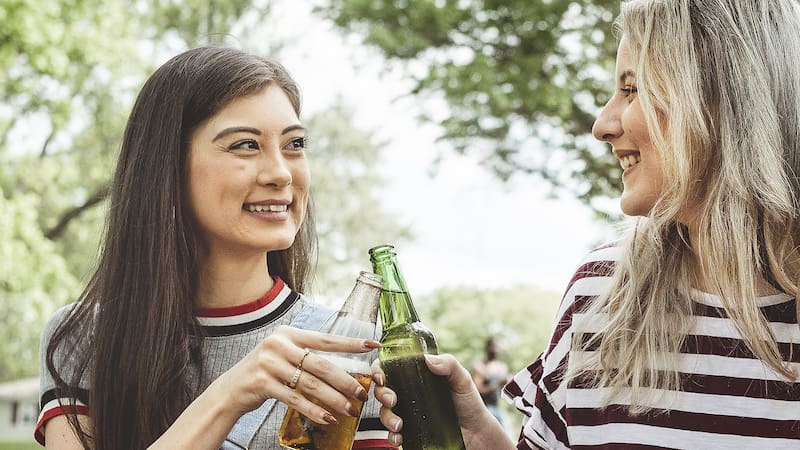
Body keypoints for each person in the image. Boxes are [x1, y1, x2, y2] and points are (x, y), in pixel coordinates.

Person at [372, 0, 800, 448]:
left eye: (632, 90)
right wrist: (480, 435)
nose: (602, 125)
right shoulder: (601, 295)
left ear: (722, 104)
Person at [35, 47, 395, 449]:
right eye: (245, 145)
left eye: (294, 144)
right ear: (167, 168)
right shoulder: (86, 338)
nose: (280, 173)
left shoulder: (351, 354)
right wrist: (229, 397)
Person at [469, 337, 509, 428]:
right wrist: (497, 383)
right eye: (493, 346)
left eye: (497, 347)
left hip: (496, 407)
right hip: (483, 407)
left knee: (508, 437)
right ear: (487, 348)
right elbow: (477, 389)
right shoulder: (479, 367)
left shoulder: (501, 367)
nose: (495, 349)